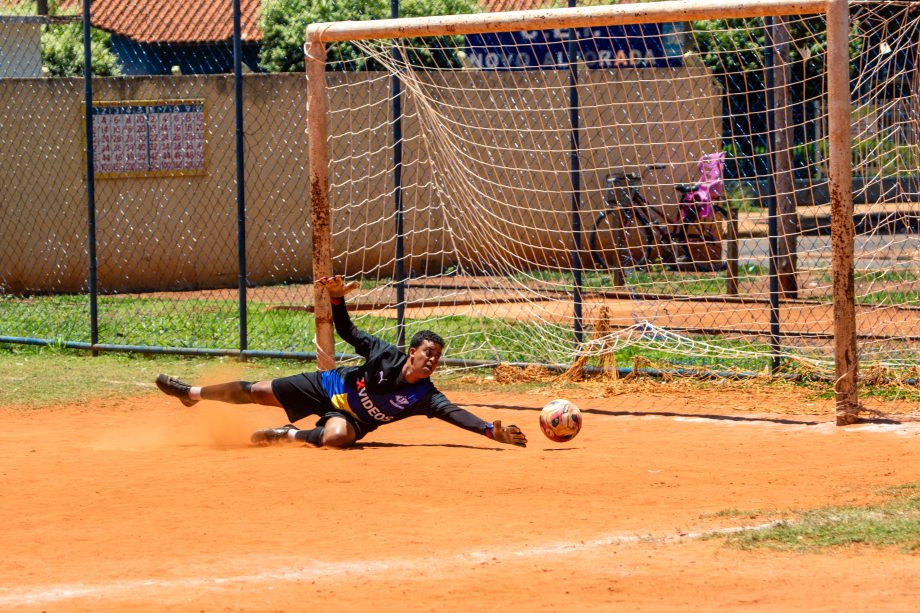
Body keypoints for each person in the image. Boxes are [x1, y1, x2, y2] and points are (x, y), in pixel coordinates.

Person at [155, 275, 527, 449]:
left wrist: (491, 432)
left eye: (437, 357)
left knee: (337, 440)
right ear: (412, 352)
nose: (432, 360)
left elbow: (457, 414)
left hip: (350, 418)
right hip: (327, 386)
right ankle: (191, 392)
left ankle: (285, 434)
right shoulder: (384, 354)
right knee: (256, 391)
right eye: (427, 352)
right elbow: (348, 331)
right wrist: (336, 298)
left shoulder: (425, 396)